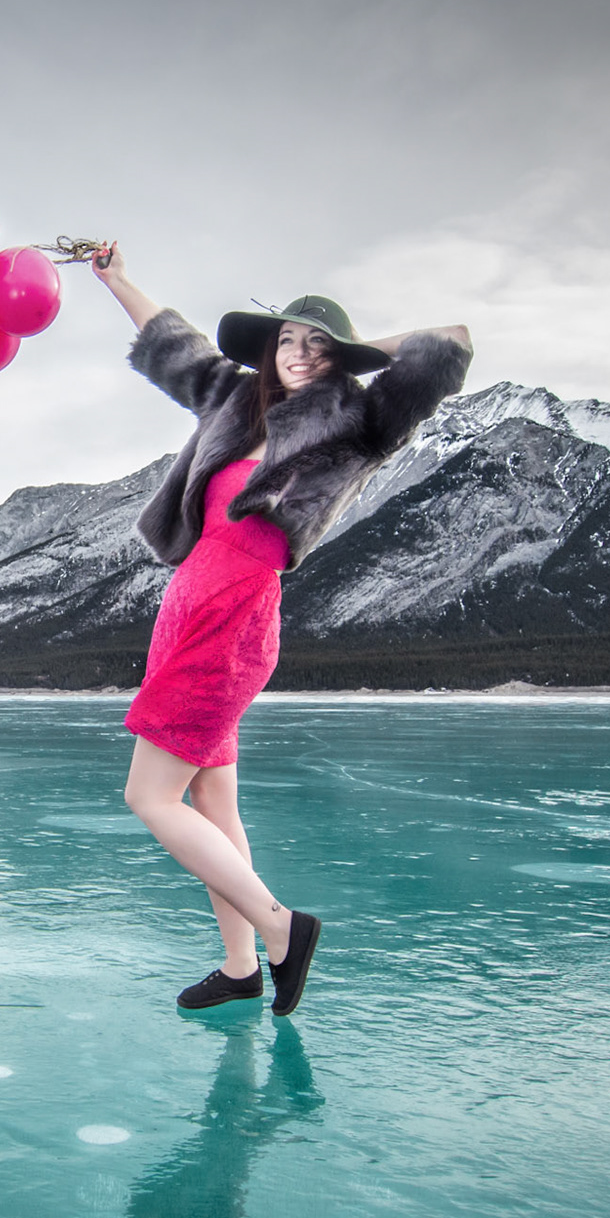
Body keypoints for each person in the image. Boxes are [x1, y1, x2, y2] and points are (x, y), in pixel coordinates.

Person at [92, 244, 473, 1015]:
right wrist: (115, 277)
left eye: (319, 345)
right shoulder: (233, 398)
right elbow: (173, 343)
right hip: (189, 601)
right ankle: (240, 967)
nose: (301, 354)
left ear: (339, 361)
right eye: (291, 339)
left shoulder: (362, 421)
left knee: (150, 796)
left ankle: (279, 927)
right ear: (271, 348)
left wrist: (362, 350)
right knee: (214, 806)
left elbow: (452, 341)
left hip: (234, 614)